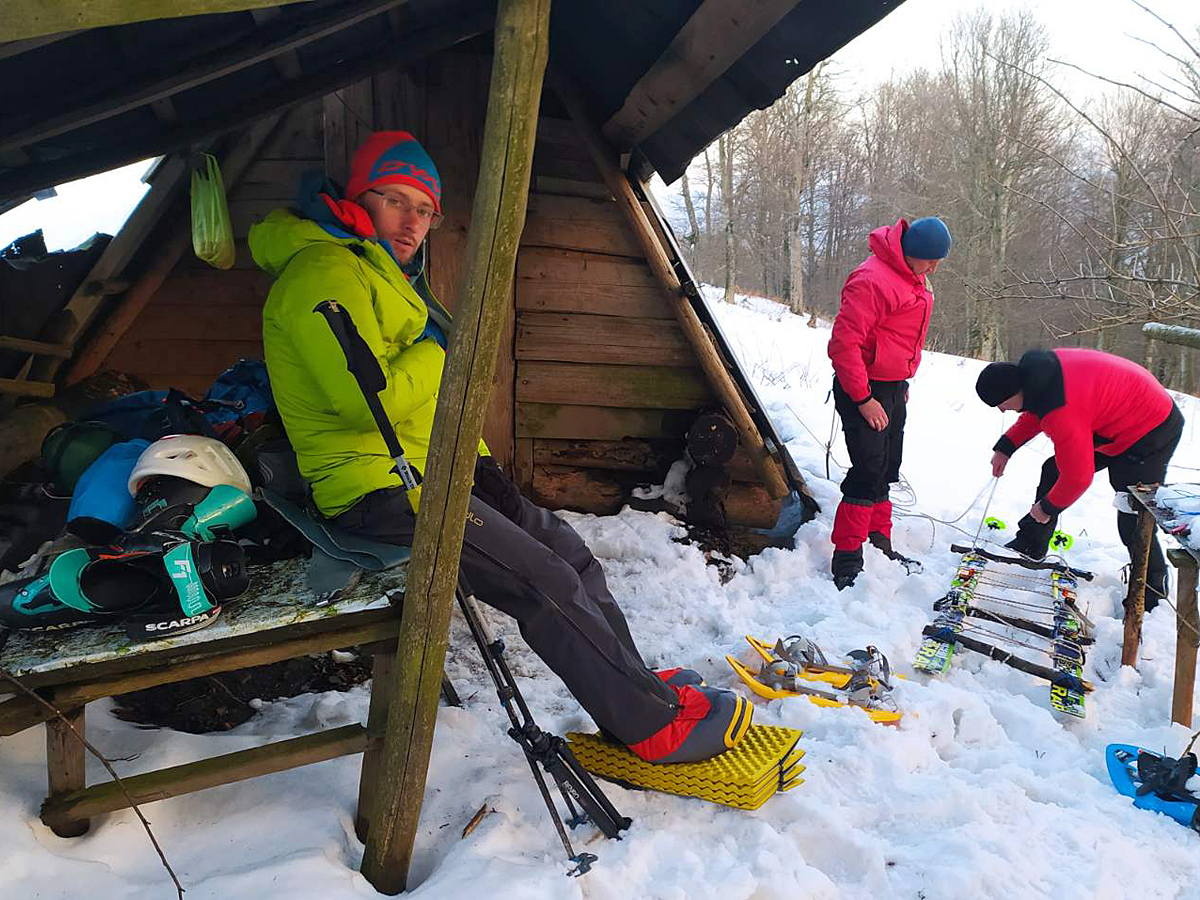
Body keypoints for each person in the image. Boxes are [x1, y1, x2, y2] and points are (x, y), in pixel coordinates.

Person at [248, 131, 750, 763]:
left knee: (571, 555)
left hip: (441, 468)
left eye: (424, 208)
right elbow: (362, 403)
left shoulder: (377, 266)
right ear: (359, 197)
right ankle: (650, 728)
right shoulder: (321, 271)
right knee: (541, 582)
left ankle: (638, 691)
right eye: (395, 200)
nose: (412, 221)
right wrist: (440, 353)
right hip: (378, 488)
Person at [975, 347, 1184, 610]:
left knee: (1131, 511)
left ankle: (1151, 592)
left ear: (1014, 392)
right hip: (1115, 416)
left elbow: (1077, 478)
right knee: (1053, 470)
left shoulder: (1061, 410)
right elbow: (1036, 411)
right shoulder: (1038, 377)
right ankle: (1031, 543)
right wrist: (1006, 446)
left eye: (1001, 404)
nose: (1003, 411)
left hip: (1151, 428)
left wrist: (1048, 507)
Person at [826, 216, 952, 590]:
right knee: (867, 468)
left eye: (938, 261)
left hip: (893, 385)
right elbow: (844, 345)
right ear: (910, 253)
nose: (934, 268)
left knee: (887, 466)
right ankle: (847, 557)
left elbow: (898, 336)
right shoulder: (872, 280)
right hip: (863, 387)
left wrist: (900, 384)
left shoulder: (912, 277)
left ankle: (879, 539)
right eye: (930, 260)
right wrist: (863, 398)